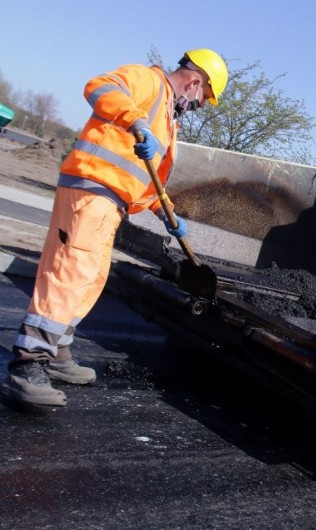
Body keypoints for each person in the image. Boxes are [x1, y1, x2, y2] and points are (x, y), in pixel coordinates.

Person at [0, 49, 228, 407]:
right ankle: (27, 364)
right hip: (92, 189)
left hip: (112, 201)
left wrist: (167, 213)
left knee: (92, 276)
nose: (198, 105)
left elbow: (144, 178)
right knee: (71, 273)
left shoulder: (168, 119)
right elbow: (100, 86)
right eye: (203, 99)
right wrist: (135, 120)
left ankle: (57, 350)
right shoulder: (148, 83)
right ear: (196, 82)